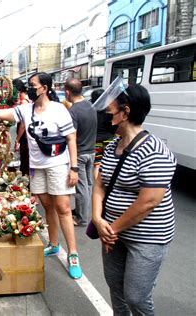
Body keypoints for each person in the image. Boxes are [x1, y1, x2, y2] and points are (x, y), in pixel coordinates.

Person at [0, 72, 82, 279]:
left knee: (63, 208)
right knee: (47, 205)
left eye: (33, 85)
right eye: (29, 86)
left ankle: (74, 255)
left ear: (45, 88)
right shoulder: (25, 110)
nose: (29, 90)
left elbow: (71, 139)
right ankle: (53, 244)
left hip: (58, 164)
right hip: (37, 166)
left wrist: (74, 168)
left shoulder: (59, 110)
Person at [92, 84, 176, 314]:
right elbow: (100, 184)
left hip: (146, 237)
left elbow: (148, 201)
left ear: (125, 112)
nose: (104, 116)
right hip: (112, 233)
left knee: (136, 297)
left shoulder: (155, 151)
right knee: (116, 289)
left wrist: (111, 229)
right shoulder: (111, 147)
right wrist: (97, 219)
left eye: (108, 111)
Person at [65, 78, 97, 227]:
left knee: (81, 188)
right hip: (91, 151)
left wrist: (74, 165)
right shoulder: (90, 106)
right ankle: (81, 211)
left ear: (67, 92)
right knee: (88, 186)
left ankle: (81, 218)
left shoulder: (74, 111)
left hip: (81, 153)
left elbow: (73, 136)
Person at [92, 88, 118, 179]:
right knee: (110, 162)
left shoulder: (92, 111)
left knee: (97, 165)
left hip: (96, 141)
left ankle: (97, 186)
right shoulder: (109, 111)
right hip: (109, 139)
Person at [12, 78, 30, 175]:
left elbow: (23, 124)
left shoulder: (24, 102)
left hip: (24, 136)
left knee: (25, 161)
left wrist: (17, 139)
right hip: (27, 135)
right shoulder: (26, 100)